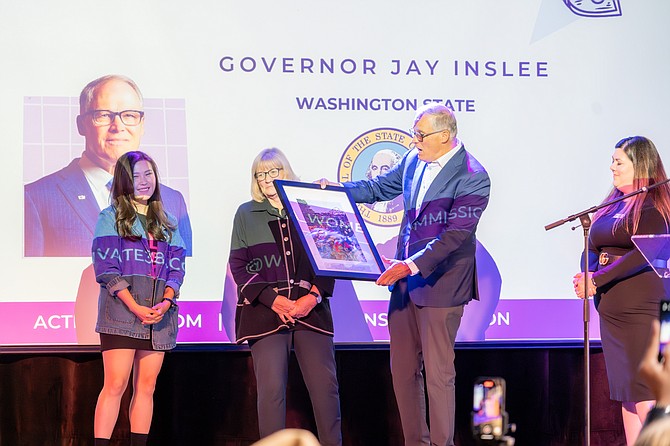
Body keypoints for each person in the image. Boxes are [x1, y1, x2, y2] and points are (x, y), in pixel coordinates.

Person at [320, 103, 490, 446]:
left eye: (420, 135)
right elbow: (380, 188)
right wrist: (337, 190)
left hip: (442, 284)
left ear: (445, 136)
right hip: (404, 282)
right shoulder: (414, 160)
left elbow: (454, 236)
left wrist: (410, 265)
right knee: (402, 372)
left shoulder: (473, 176)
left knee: (439, 376)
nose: (414, 141)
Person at [229, 148, 342, 446]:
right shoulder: (245, 213)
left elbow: (331, 256)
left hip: (311, 313)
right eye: (260, 174)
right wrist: (271, 299)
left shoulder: (309, 206)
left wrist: (312, 297)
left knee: (325, 389)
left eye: (273, 171)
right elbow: (238, 265)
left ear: (286, 171)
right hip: (265, 314)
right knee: (271, 391)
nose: (266, 179)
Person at [24, 74, 192, 256]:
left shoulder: (173, 201)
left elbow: (188, 273)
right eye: (104, 115)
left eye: (129, 115)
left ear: (142, 125)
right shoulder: (36, 198)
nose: (118, 126)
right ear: (81, 125)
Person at [573, 136, 670, 445]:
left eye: (619, 162)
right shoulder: (612, 203)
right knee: (627, 393)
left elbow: (642, 254)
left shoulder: (656, 205)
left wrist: (597, 280)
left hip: (643, 310)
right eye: (612, 161)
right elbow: (592, 243)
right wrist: (588, 272)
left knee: (645, 390)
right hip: (612, 310)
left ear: (640, 166)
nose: (612, 167)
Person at [92, 151, 187, 446]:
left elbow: (177, 266)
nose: (143, 182)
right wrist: (135, 306)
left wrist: (167, 301)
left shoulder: (167, 221)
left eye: (148, 174)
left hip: (158, 319)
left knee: (146, 387)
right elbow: (106, 268)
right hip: (121, 315)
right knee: (116, 384)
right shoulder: (110, 217)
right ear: (123, 180)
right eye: (135, 176)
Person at [364, 148, 402, 213]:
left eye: (385, 168)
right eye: (375, 168)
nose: (378, 173)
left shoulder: (403, 202)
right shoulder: (366, 203)